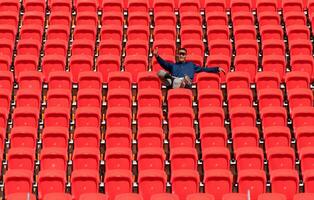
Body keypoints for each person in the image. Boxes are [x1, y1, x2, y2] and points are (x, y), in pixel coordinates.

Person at [153, 47, 225, 88]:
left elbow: (204, 69)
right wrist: (157, 56)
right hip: (173, 81)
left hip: (186, 83)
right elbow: (163, 63)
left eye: (183, 54)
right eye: (180, 54)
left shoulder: (191, 65)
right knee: (160, 72)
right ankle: (172, 79)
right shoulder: (173, 65)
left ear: (185, 56)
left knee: (180, 80)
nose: (181, 55)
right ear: (177, 55)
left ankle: (180, 81)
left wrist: (216, 68)